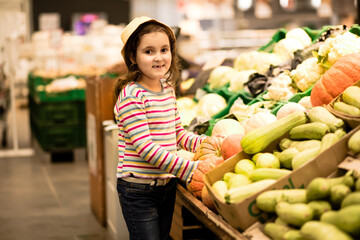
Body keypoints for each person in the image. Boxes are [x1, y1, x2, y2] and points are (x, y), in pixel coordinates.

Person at [114, 16, 220, 240]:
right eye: (149, 51)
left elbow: (177, 132)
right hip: (138, 189)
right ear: (133, 57)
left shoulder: (167, 89)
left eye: (164, 49)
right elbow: (146, 147)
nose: (159, 57)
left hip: (166, 186)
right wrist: (189, 169)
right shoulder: (132, 96)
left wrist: (207, 143)